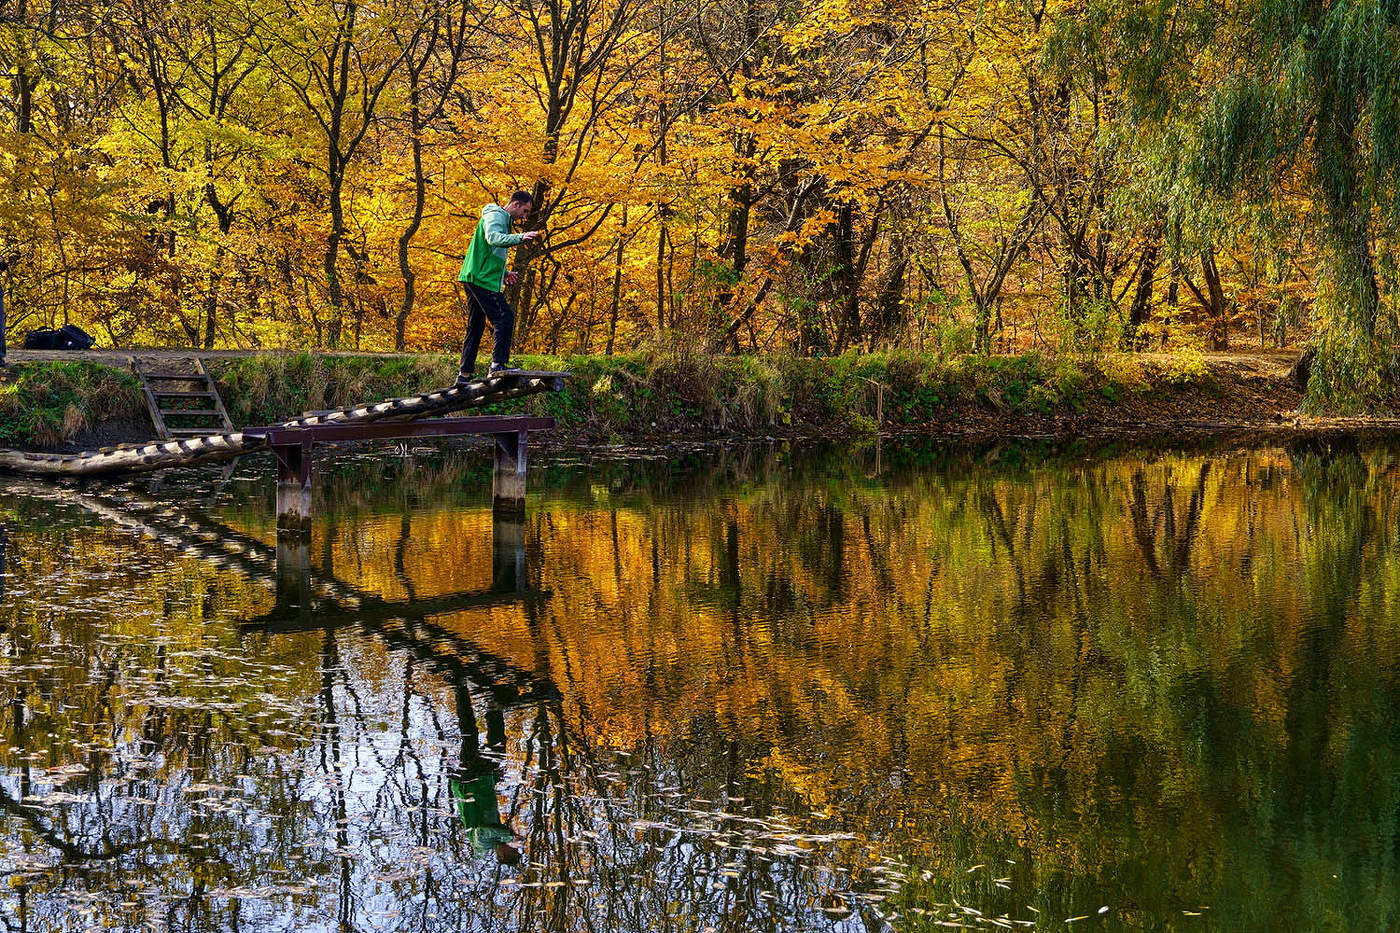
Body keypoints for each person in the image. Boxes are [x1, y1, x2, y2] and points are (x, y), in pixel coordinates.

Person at [456, 191, 543, 385]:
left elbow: (491, 253)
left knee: (476, 326)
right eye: (525, 211)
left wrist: (504, 274)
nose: (525, 216)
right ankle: (498, 365)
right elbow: (493, 238)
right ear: (516, 204)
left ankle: (464, 375)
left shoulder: (504, 221)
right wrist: (520, 237)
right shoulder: (495, 215)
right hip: (481, 279)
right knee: (504, 317)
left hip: (476, 276)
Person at [449, 681, 521, 864]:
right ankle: (461, 689)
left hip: (469, 780)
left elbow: (481, 830)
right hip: (477, 780)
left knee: (495, 747)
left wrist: (508, 836)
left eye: (512, 852)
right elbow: (485, 805)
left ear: (502, 855)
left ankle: (492, 705)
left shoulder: (483, 845)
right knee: (469, 734)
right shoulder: (496, 839)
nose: (512, 847)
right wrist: (495, 778)